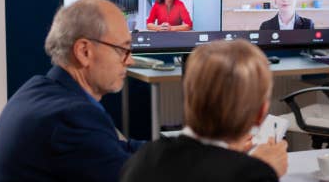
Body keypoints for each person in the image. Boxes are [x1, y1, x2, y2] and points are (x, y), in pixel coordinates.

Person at [0, 0, 145, 182]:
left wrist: (177, 150)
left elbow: (119, 148)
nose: (129, 60)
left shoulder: (41, 90)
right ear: (84, 52)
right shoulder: (71, 117)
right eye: (122, 49)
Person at [120, 40, 289, 182]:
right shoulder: (253, 175)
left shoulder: (142, 159)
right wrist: (266, 169)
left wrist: (231, 156)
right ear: (260, 114)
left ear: (188, 99)